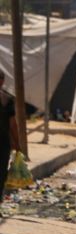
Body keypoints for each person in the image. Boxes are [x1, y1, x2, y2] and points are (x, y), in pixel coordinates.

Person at [0, 70, 24, 201]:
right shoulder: (7, 99)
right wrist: (17, 143)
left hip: (4, 142)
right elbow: (12, 124)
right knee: (1, 173)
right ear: (2, 82)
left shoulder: (7, 99)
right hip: (3, 143)